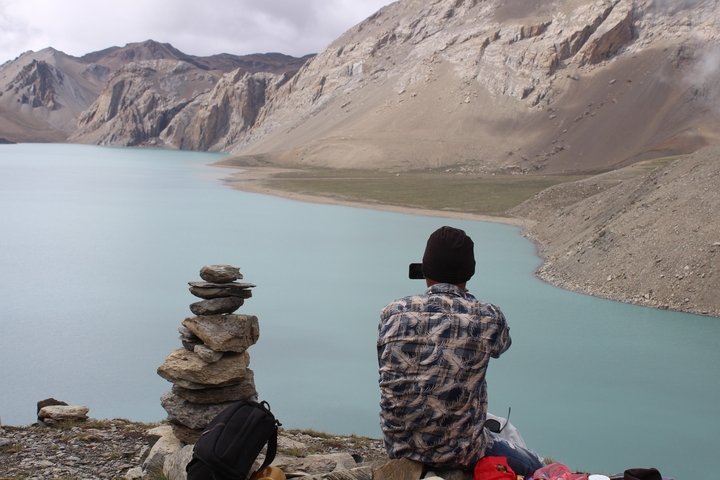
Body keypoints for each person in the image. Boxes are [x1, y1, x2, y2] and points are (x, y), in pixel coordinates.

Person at [377, 226, 543, 477]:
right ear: (469, 271)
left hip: (399, 446)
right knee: (537, 465)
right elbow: (501, 346)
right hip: (461, 451)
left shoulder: (392, 312)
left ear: (425, 268)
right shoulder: (487, 316)